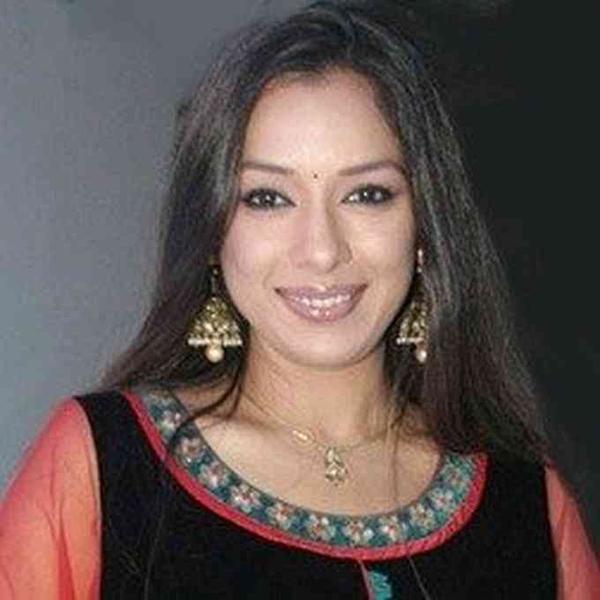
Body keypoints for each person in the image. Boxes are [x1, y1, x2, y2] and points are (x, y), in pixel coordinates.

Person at [0, 1, 597, 598]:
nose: (321, 250)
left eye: (367, 194)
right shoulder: (102, 468)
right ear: (210, 231)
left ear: (425, 224)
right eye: (267, 198)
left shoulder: (528, 502)